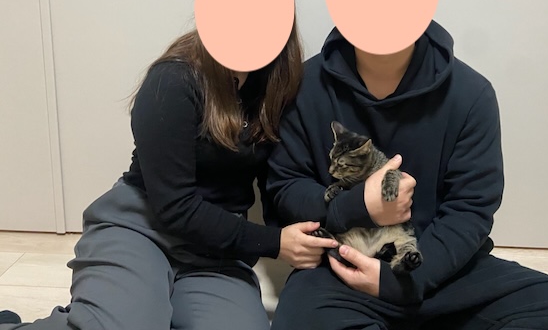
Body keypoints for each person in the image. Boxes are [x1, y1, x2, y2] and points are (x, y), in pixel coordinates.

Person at [266, 0, 548, 329]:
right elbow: (284, 189)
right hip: (343, 271)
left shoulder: (471, 95)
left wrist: (402, 280)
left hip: (444, 273)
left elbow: (470, 211)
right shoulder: (302, 87)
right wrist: (355, 206)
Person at [0, 20, 338, 329]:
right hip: (142, 227)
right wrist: (274, 242)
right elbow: (176, 206)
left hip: (216, 249)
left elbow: (278, 182)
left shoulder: (276, 87)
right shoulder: (173, 79)